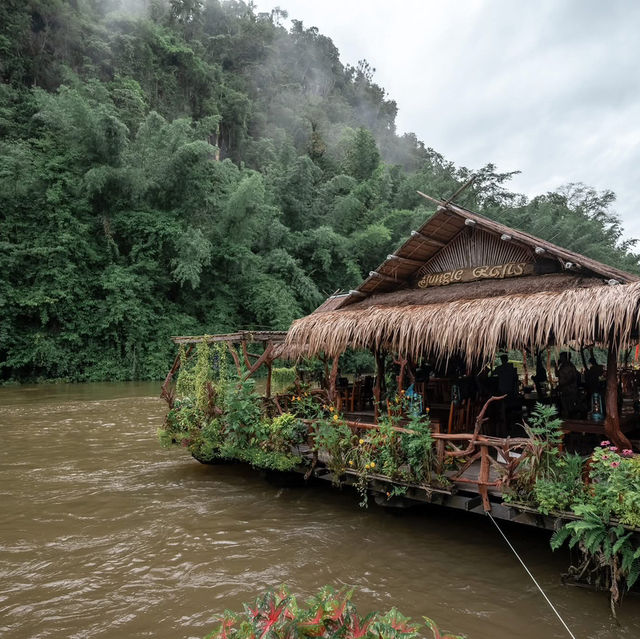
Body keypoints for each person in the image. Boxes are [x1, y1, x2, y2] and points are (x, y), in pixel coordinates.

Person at [493, 354, 519, 436]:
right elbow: (515, 379)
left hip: (503, 391)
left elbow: (492, 373)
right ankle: (510, 425)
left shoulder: (500, 368)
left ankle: (507, 425)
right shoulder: (512, 368)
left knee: (504, 408)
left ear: (501, 360)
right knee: (509, 408)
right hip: (510, 391)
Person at [556, 352, 579, 418]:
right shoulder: (562, 366)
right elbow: (557, 374)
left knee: (570, 407)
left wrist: (562, 385)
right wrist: (556, 365)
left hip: (570, 390)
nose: (560, 358)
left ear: (566, 358)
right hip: (564, 390)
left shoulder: (570, 366)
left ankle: (571, 422)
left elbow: (572, 379)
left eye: (561, 357)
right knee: (565, 407)